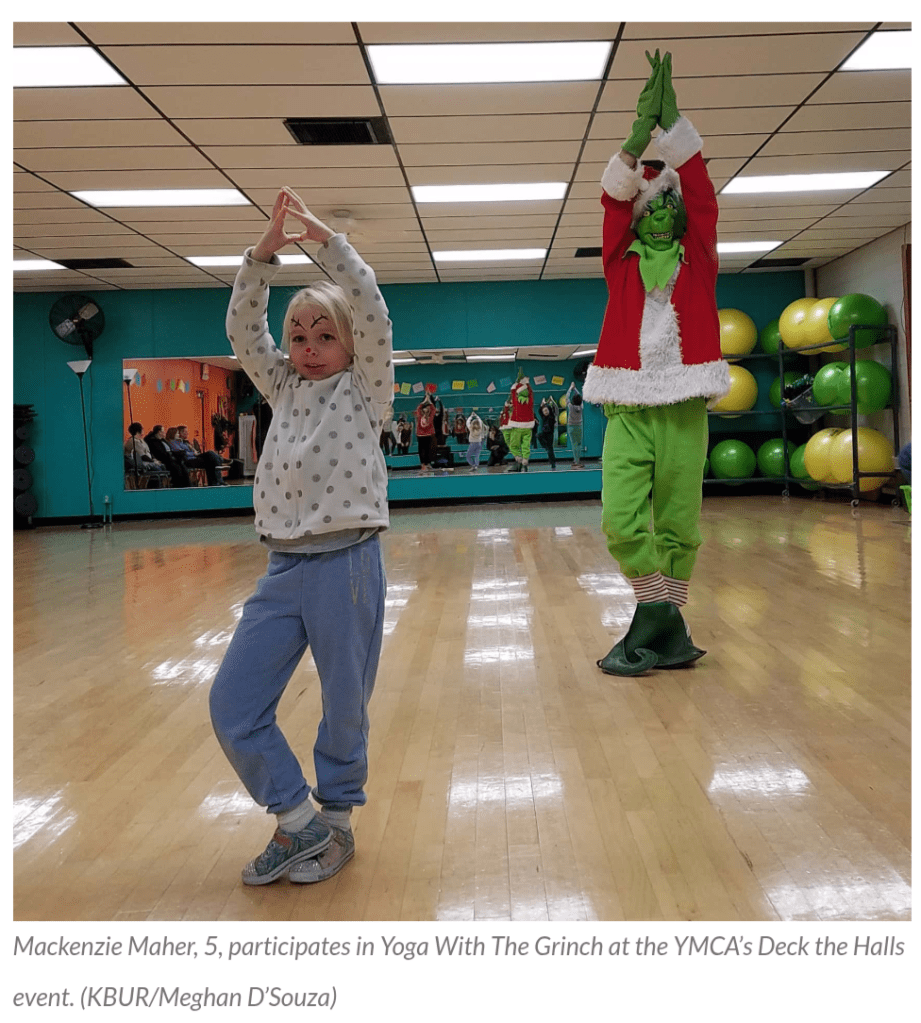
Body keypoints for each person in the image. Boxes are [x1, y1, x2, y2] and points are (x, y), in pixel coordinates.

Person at [209, 185, 393, 886]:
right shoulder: (280, 386)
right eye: (299, 336)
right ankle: (297, 821)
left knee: (344, 705)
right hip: (282, 569)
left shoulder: (367, 388)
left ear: (348, 342)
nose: (310, 349)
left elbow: (371, 303)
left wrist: (327, 242)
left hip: (347, 563)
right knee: (231, 703)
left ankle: (337, 823)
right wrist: (261, 257)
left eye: (325, 335)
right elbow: (241, 332)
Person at [583, 51, 729, 677]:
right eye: (654, 208)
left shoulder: (699, 262)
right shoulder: (621, 264)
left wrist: (680, 134)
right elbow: (612, 207)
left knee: (678, 525)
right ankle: (659, 611)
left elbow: (704, 199)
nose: (665, 212)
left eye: (673, 205)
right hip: (629, 408)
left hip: (686, 409)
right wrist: (636, 138)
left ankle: (661, 624)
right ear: (643, 218)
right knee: (621, 522)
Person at [504, 372, 535, 473]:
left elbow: (513, 393)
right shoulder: (530, 402)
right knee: (526, 444)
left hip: (517, 426)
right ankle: (525, 459)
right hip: (528, 427)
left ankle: (518, 457)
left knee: (513, 445)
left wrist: (514, 387)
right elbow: (531, 393)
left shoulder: (516, 403)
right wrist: (527, 384)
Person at [415, 393, 437, 473]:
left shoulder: (430, 415)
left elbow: (433, 409)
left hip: (428, 434)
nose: (425, 410)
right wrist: (424, 401)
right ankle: (423, 464)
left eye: (427, 409)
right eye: (424, 409)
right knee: (421, 449)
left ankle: (428, 463)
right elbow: (418, 409)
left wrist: (429, 401)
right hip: (420, 435)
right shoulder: (420, 415)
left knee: (428, 449)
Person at [566, 382, 585, 468]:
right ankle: (577, 461)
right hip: (579, 426)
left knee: (574, 444)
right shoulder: (581, 407)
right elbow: (580, 396)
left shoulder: (570, 406)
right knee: (579, 444)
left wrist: (570, 388)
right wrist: (575, 389)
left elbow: (567, 397)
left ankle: (576, 461)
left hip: (571, 427)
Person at [537, 397, 558, 469]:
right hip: (544, 433)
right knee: (539, 436)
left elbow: (551, 410)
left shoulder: (551, 417)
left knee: (550, 449)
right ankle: (545, 446)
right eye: (544, 411)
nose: (545, 412)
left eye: (546, 411)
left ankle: (553, 463)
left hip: (550, 435)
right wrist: (542, 404)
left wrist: (546, 403)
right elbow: (540, 410)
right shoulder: (543, 417)